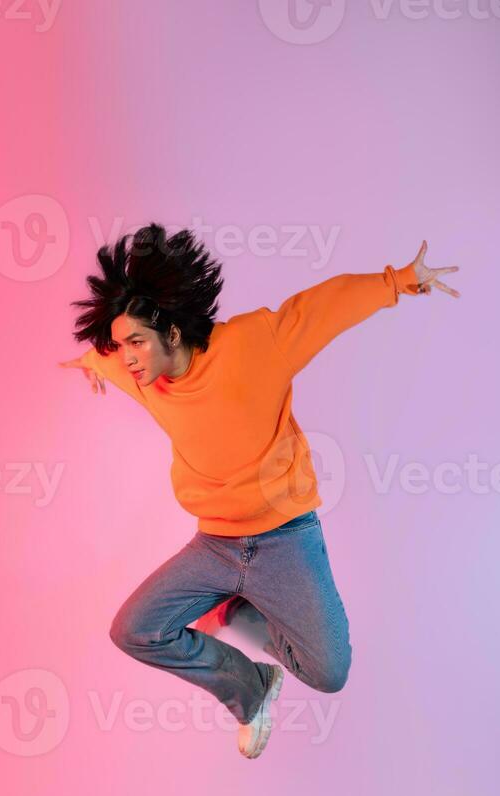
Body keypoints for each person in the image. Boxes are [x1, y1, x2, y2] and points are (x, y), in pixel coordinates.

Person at [59, 223, 460, 759]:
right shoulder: (139, 372)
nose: (127, 357)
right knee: (134, 630)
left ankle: (239, 611)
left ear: (172, 333)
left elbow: (320, 308)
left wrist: (400, 280)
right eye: (121, 346)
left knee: (329, 673)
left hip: (285, 539)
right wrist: (91, 362)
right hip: (215, 546)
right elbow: (106, 357)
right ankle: (250, 686)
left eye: (136, 342)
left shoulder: (253, 345)